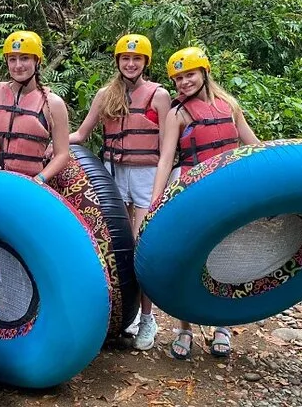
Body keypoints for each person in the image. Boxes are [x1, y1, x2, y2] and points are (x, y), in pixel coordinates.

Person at [151, 46, 259, 359]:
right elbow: (166, 159)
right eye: (179, 78)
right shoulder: (177, 114)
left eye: (190, 75)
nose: (184, 82)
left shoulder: (230, 105)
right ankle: (184, 328)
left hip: (230, 191)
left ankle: (222, 326)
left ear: (204, 73)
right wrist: (157, 199)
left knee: (227, 258)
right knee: (189, 259)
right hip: (193, 192)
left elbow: (253, 146)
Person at [68, 34, 171, 351]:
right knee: (115, 249)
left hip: (146, 174)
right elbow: (81, 134)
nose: (130, 63)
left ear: (145, 62)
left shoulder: (159, 95)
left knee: (142, 246)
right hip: (113, 174)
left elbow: (167, 148)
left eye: (137, 58)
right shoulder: (105, 95)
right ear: (117, 61)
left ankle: (147, 317)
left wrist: (159, 189)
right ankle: (120, 313)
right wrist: (53, 143)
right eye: (125, 58)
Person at [0, 30, 70, 184]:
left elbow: (62, 154)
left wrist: (39, 179)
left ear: (37, 61)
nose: (18, 65)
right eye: (12, 59)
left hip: (29, 183)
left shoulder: (53, 104)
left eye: (24, 58)